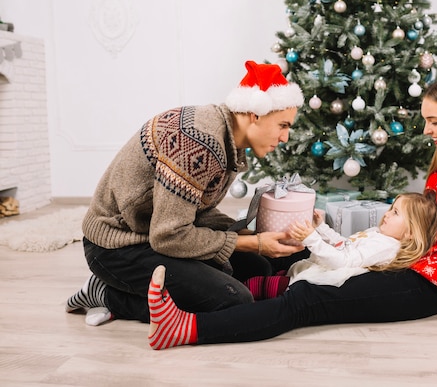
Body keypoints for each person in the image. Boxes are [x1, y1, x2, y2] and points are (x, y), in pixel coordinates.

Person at [145, 74, 437, 350]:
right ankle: (155, 298)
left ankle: (188, 329)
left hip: (423, 285)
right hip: (402, 264)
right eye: (425, 121)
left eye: (434, 121)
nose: (427, 130)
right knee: (294, 263)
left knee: (304, 300)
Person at [65, 60, 305, 326]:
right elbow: (168, 236)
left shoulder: (225, 137)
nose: (285, 137)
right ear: (255, 114)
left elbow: (192, 210)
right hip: (117, 245)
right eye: (283, 125)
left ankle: (135, 286)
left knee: (258, 266)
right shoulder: (200, 143)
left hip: (150, 233)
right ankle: (106, 293)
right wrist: (255, 243)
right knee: (232, 300)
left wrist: (253, 237)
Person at [244, 192, 437, 300]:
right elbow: (344, 244)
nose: (387, 214)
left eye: (396, 213)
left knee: (258, 286)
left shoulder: (386, 247)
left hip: (320, 277)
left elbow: (344, 260)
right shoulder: (379, 233)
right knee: (270, 276)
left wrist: (312, 238)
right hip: (314, 267)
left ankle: (240, 297)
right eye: (391, 208)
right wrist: (321, 227)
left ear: (410, 232)